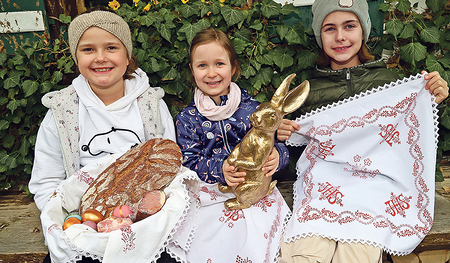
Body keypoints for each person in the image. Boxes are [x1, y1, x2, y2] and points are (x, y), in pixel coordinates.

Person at [277, 0, 449, 262]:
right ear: (319, 35)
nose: (341, 37)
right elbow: (287, 152)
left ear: (364, 30)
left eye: (349, 26)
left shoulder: (390, 84)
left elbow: (411, 137)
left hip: (374, 193)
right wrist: (279, 133)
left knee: (357, 255)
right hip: (323, 191)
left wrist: (432, 100)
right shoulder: (307, 92)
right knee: (305, 254)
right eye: (329, 29)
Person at [28, 9, 180, 263]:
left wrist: (143, 219)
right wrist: (76, 225)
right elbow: (46, 182)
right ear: (75, 56)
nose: (100, 58)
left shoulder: (151, 105)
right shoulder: (62, 112)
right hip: (85, 226)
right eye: (88, 49)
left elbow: (169, 167)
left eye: (111, 47)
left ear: (127, 55)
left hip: (144, 226)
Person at [171, 27, 291, 262]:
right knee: (213, 238)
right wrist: (220, 169)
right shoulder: (188, 118)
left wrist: (279, 155)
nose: (211, 73)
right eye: (202, 65)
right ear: (192, 71)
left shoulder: (253, 109)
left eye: (219, 64)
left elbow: (273, 143)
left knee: (258, 235)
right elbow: (189, 161)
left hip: (255, 190)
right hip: (211, 192)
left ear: (233, 68)